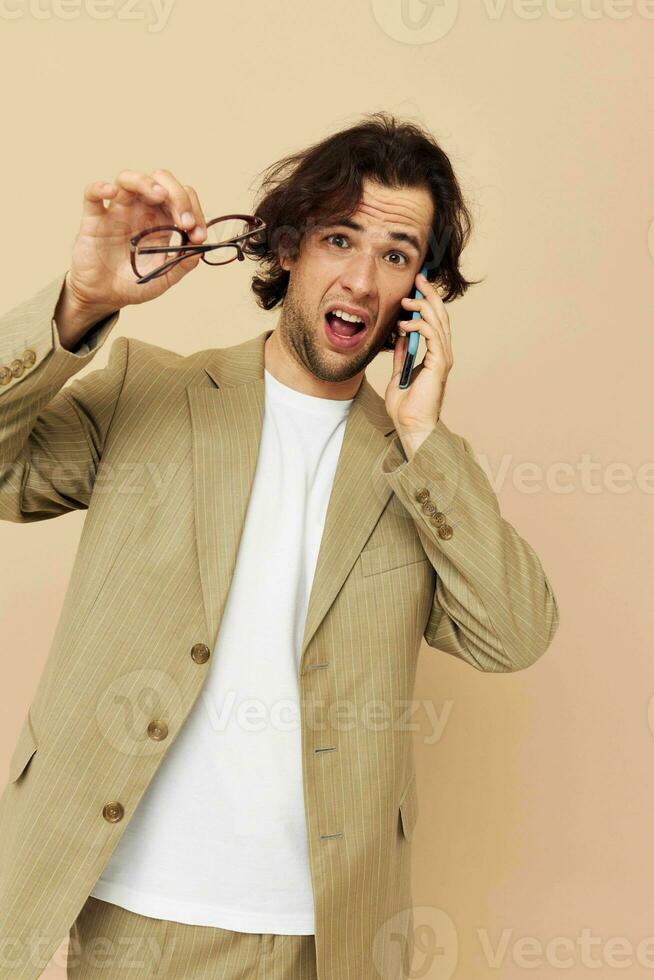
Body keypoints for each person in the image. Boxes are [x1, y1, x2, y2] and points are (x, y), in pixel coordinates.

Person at [0, 111, 559, 980]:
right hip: (143, 919)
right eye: (341, 238)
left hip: (329, 935)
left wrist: (423, 436)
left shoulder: (422, 471)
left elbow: (515, 633)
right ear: (289, 247)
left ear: (421, 290)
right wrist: (83, 304)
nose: (363, 278)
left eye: (398, 254)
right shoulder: (152, 394)